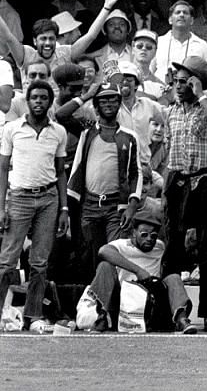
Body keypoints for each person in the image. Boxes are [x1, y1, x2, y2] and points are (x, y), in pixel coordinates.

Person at [161, 56, 207, 332]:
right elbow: (168, 150)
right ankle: (177, 311)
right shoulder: (171, 111)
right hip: (178, 179)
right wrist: (165, 188)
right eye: (176, 81)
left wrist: (202, 95)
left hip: (205, 180)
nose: (178, 86)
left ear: (196, 83)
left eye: (185, 82)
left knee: (205, 247)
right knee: (173, 245)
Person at [0, 80, 68, 333]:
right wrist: (1, 207)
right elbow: (3, 168)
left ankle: (33, 314)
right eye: (34, 97)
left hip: (48, 198)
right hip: (19, 197)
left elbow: (61, 172)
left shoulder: (58, 131)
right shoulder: (12, 129)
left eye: (43, 98)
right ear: (27, 101)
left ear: (50, 102)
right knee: (7, 261)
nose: (39, 101)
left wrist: (64, 209)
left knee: (40, 262)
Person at [67, 83, 142, 278]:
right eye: (103, 99)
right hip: (89, 204)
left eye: (113, 99)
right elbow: (61, 116)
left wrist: (132, 205)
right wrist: (86, 95)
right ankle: (92, 302)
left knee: (113, 254)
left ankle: (112, 303)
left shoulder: (129, 137)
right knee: (89, 256)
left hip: (115, 206)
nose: (108, 103)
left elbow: (136, 173)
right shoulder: (87, 131)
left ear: (119, 103)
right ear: (96, 105)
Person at [85, 209, 196, 334]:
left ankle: (182, 320)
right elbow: (103, 251)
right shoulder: (121, 245)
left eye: (153, 236)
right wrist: (138, 270)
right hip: (125, 296)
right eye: (144, 234)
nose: (149, 239)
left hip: (151, 297)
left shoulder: (159, 246)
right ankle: (102, 316)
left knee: (174, 278)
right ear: (133, 232)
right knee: (105, 266)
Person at [153, 0, 207, 83]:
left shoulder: (202, 45)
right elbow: (150, 71)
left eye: (185, 13)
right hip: (160, 91)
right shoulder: (158, 42)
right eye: (177, 12)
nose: (181, 15)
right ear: (170, 20)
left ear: (191, 20)